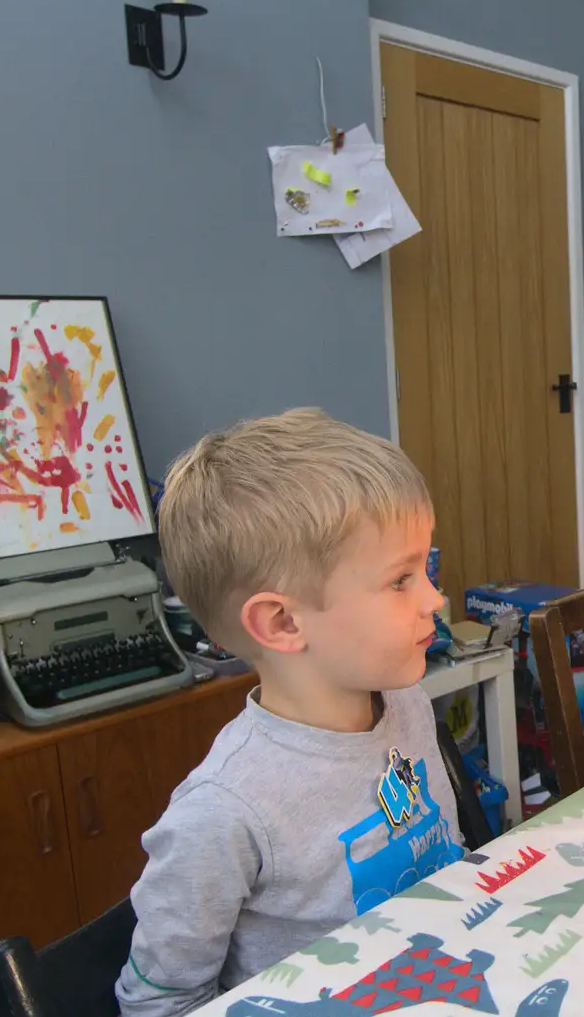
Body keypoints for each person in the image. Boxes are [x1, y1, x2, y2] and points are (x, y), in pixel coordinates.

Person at [116, 409, 463, 1016]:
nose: (435, 597)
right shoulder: (223, 814)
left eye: (426, 568)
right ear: (282, 622)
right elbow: (158, 1003)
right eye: (401, 579)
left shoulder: (405, 701)